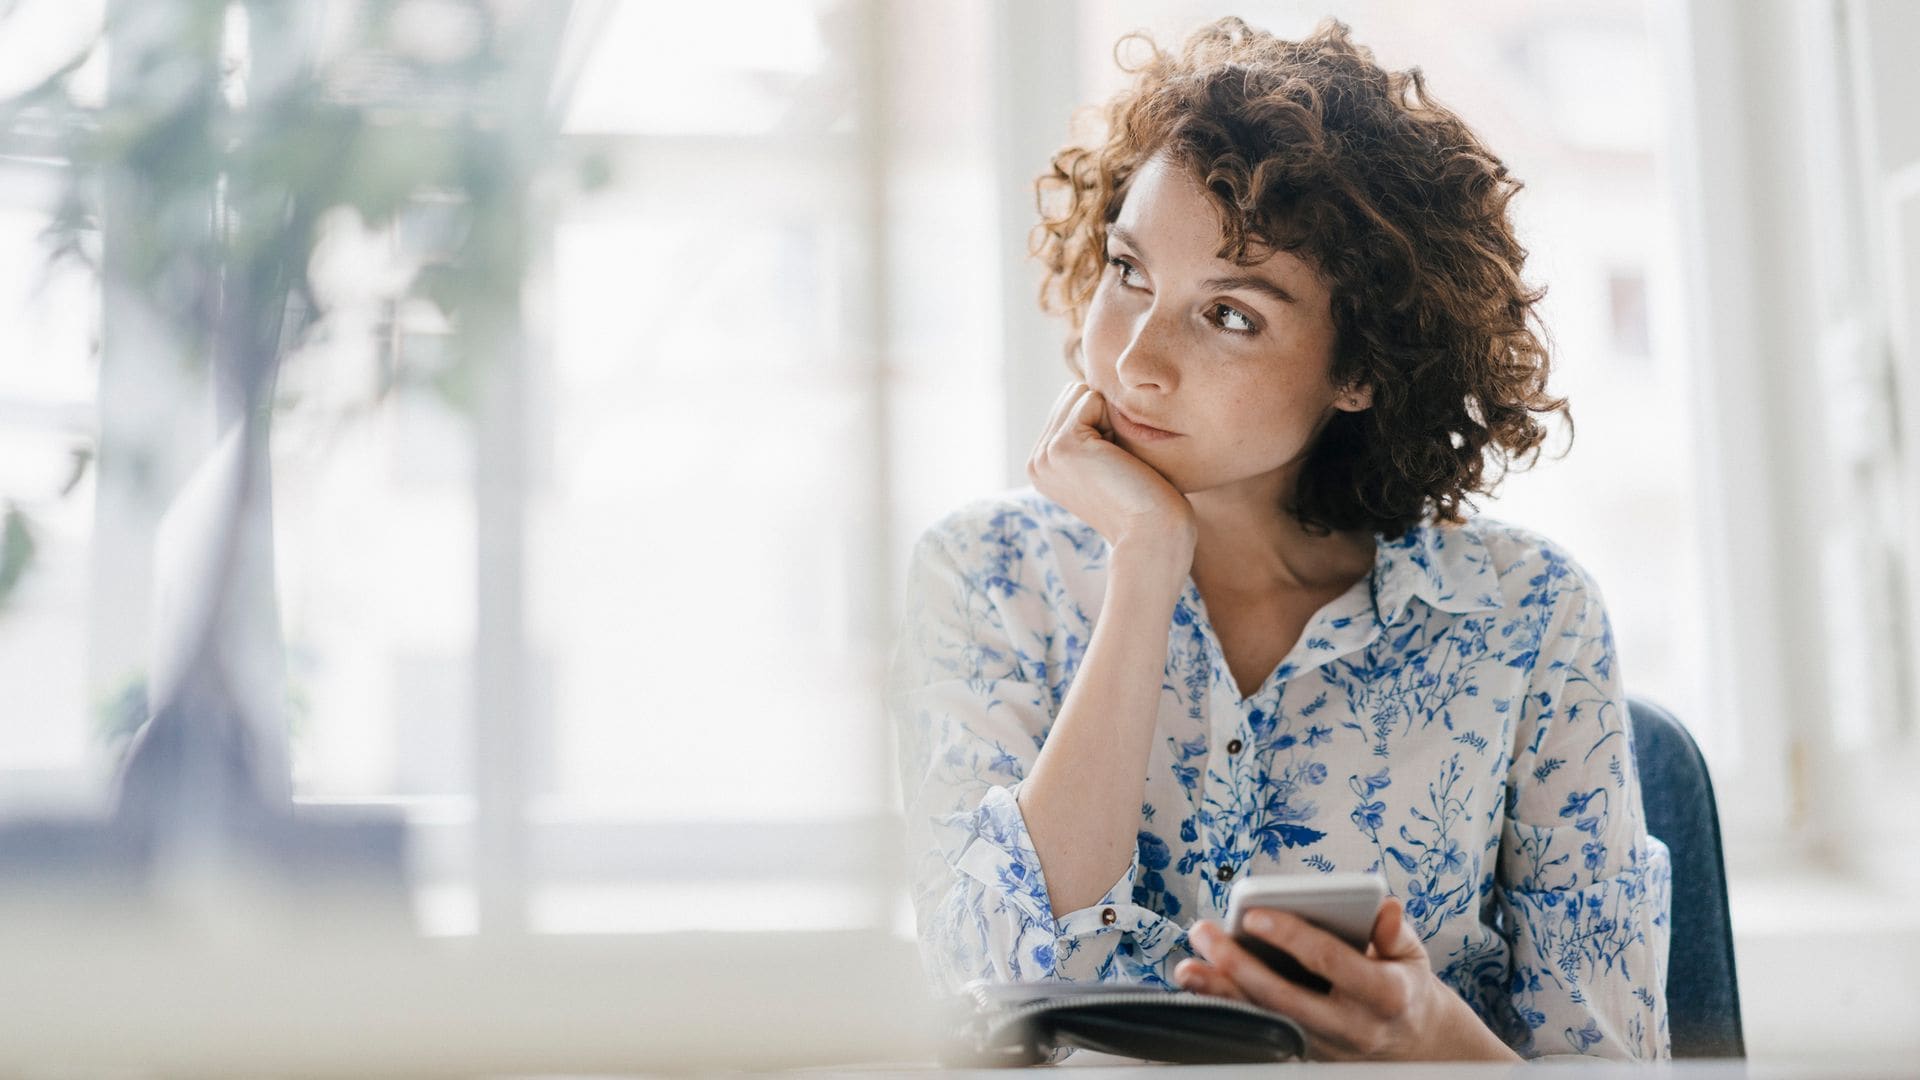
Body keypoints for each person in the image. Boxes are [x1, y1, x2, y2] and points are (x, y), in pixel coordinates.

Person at [886, 15, 1670, 1064]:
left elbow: (1617, 1059)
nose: (1136, 362)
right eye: (1129, 272)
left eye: (1232, 316)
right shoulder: (983, 582)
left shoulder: (1530, 620)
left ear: (1361, 369)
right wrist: (1144, 565)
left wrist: (1433, 1037)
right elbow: (999, 1003)